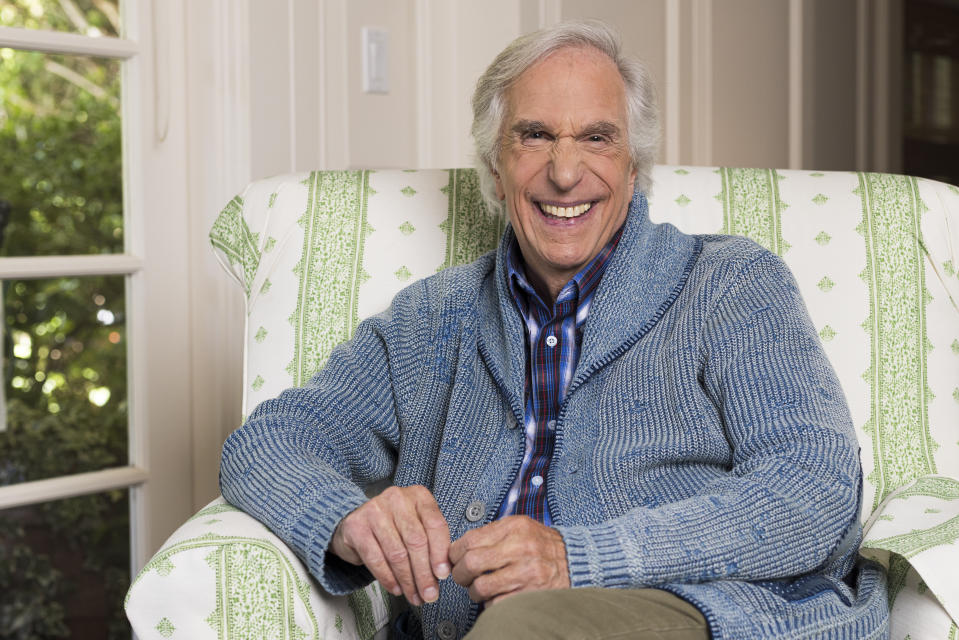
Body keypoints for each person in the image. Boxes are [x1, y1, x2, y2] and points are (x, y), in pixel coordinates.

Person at [220, 20, 889, 640]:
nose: (565, 173)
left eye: (596, 137)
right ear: (494, 165)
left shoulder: (730, 284)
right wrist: (346, 518)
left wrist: (577, 558)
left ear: (634, 166)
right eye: (533, 135)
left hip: (696, 608)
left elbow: (812, 489)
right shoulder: (430, 320)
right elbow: (268, 443)